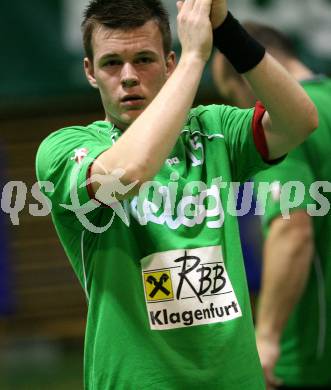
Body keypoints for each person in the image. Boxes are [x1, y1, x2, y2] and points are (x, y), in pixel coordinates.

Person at [36, 1, 317, 388]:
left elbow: (300, 119)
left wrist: (226, 29)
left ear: (167, 63)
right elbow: (129, 171)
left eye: (144, 59)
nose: (129, 76)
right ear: (90, 72)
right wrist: (194, 60)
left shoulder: (214, 128)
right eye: (112, 63)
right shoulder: (65, 148)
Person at [212, 23, 331, 390]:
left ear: (251, 77)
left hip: (313, 352)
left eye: (236, 100)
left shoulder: (286, 130)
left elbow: (291, 230)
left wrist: (266, 337)